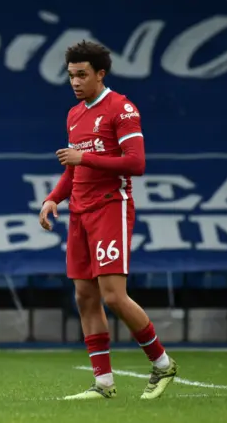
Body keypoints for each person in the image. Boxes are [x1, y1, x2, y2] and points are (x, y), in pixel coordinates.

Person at [39, 40, 178, 400]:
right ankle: (103, 383)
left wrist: (84, 160)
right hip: (79, 212)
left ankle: (162, 363)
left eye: (82, 75)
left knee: (113, 296)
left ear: (101, 74)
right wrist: (54, 199)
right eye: (71, 75)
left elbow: (136, 163)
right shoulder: (74, 114)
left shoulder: (122, 108)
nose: (75, 82)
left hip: (110, 206)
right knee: (85, 296)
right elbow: (73, 167)